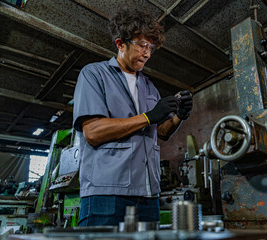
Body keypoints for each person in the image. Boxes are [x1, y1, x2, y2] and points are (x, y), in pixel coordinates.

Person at [73, 8, 192, 226]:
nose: (147, 53)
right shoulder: (94, 74)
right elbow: (93, 132)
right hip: (107, 192)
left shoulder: (149, 87)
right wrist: (148, 116)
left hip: (148, 193)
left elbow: (161, 133)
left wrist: (179, 116)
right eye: (142, 45)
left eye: (151, 48)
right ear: (120, 44)